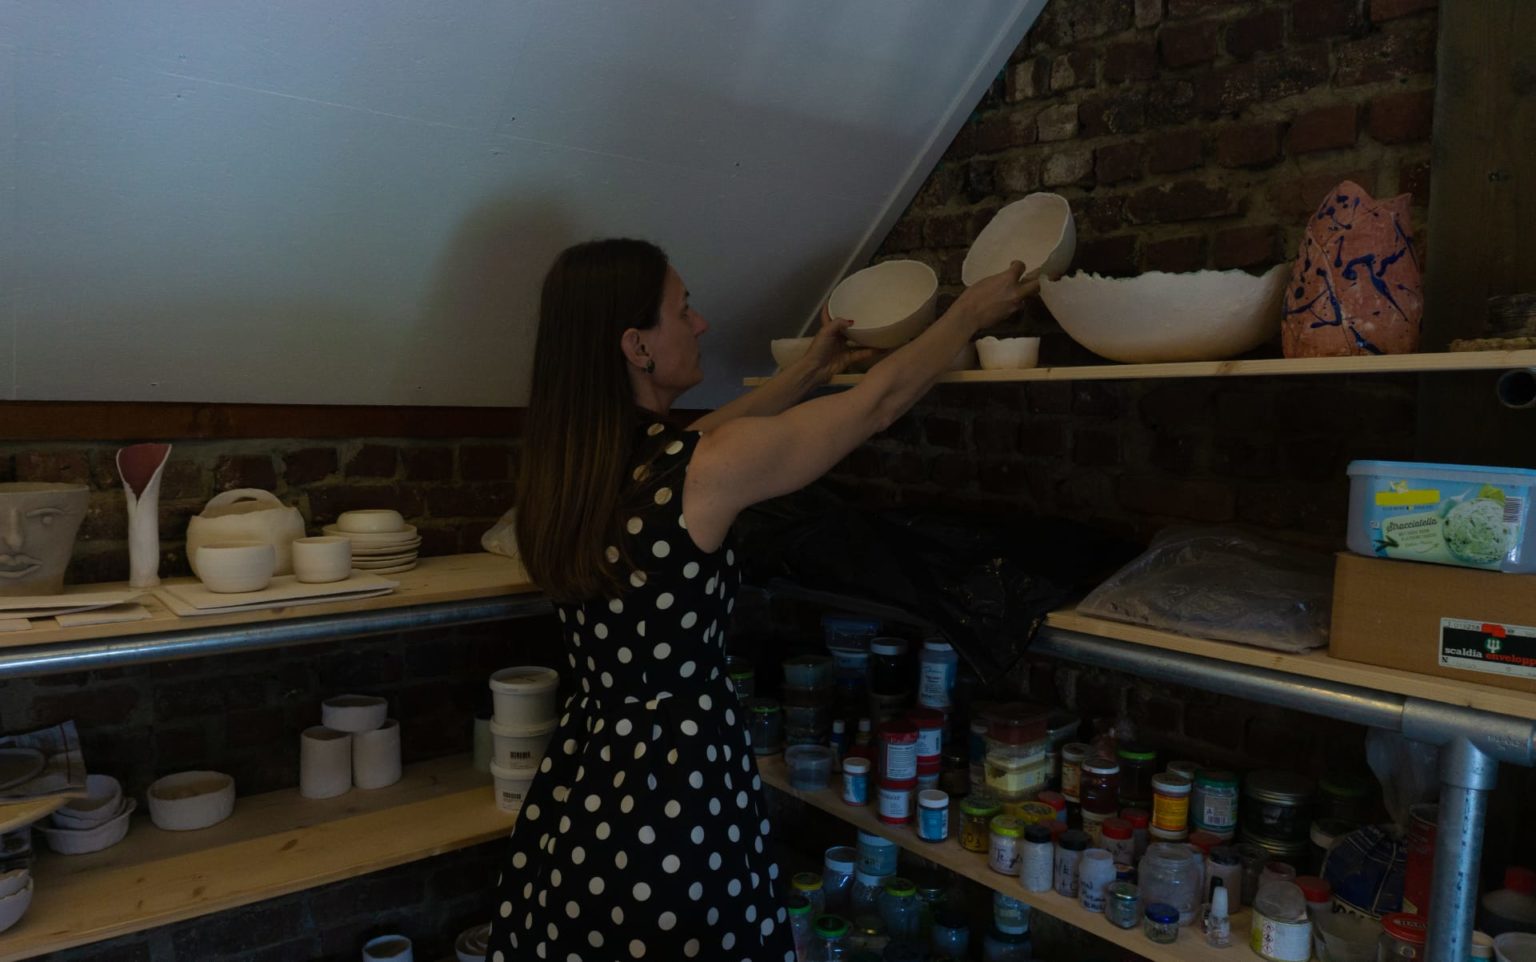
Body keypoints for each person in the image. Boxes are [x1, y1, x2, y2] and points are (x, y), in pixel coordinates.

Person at [486, 238, 1036, 961]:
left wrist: (807, 371)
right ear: (636, 346)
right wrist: (968, 314)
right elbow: (876, 405)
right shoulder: (698, 471)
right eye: (683, 309)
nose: (701, 323)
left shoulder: (578, 471)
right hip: (675, 778)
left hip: (591, 767)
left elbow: (710, 437)